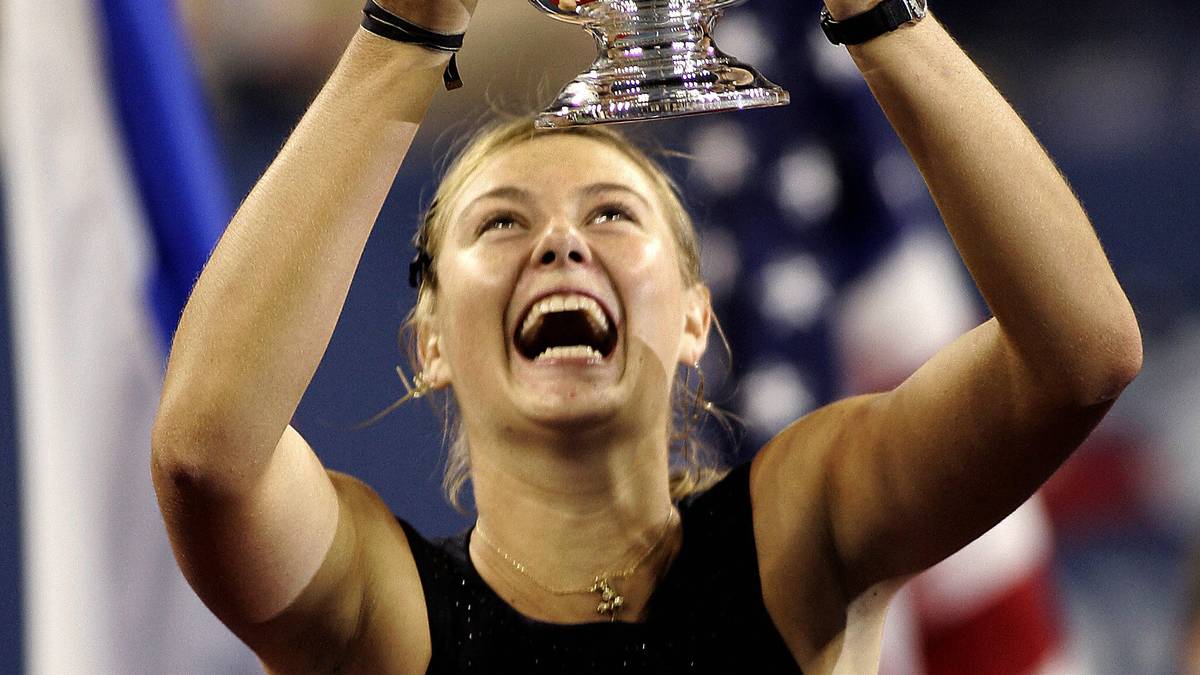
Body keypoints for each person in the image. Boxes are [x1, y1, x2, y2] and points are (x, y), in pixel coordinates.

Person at [149, 0, 1142, 672]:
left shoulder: (803, 529)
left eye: (613, 215)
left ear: (695, 316)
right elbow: (206, 457)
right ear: (430, 342)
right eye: (501, 222)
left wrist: (878, 11)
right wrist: (405, 30)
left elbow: (1081, 358)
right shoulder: (380, 608)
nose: (562, 244)